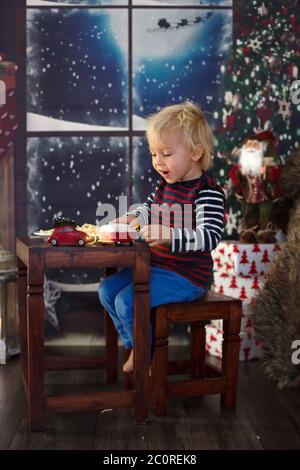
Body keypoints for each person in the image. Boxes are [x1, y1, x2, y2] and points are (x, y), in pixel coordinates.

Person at [98, 101, 225, 373]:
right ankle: (137, 345)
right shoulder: (165, 185)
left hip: (187, 276)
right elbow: (148, 209)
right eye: (154, 154)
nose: (158, 162)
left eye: (166, 153)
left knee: (127, 300)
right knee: (107, 290)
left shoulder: (207, 192)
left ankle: (147, 354)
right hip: (156, 268)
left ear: (195, 152)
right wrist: (134, 217)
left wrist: (171, 235)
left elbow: (210, 237)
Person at [229, 130, 282, 243]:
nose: (251, 147)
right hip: (249, 196)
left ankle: (265, 233)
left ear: (262, 148)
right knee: (249, 214)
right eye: (249, 144)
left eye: (255, 144)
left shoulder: (268, 162)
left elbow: (277, 174)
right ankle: (249, 233)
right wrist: (239, 173)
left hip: (265, 195)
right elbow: (233, 174)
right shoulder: (243, 164)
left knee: (266, 214)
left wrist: (267, 171)